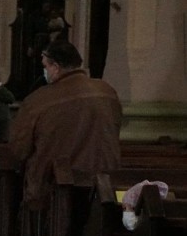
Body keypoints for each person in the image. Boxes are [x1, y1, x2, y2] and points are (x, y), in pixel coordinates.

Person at [9, 40, 122, 209]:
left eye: (45, 66)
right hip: (104, 186)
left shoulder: (38, 100)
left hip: (53, 190)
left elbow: (19, 148)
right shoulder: (107, 92)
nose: (45, 71)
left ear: (55, 67)